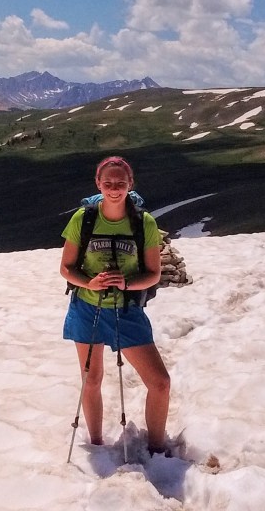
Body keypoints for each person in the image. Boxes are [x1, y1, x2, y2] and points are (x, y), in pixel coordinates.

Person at [60, 156, 172, 455]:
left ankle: (158, 450)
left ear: (129, 184)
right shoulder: (82, 219)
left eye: (120, 183)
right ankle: (97, 445)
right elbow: (67, 268)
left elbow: (153, 274)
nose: (114, 189)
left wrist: (125, 284)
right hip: (86, 307)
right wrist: (89, 283)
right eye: (107, 183)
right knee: (91, 379)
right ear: (98, 184)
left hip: (126, 309)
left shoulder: (143, 222)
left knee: (160, 383)